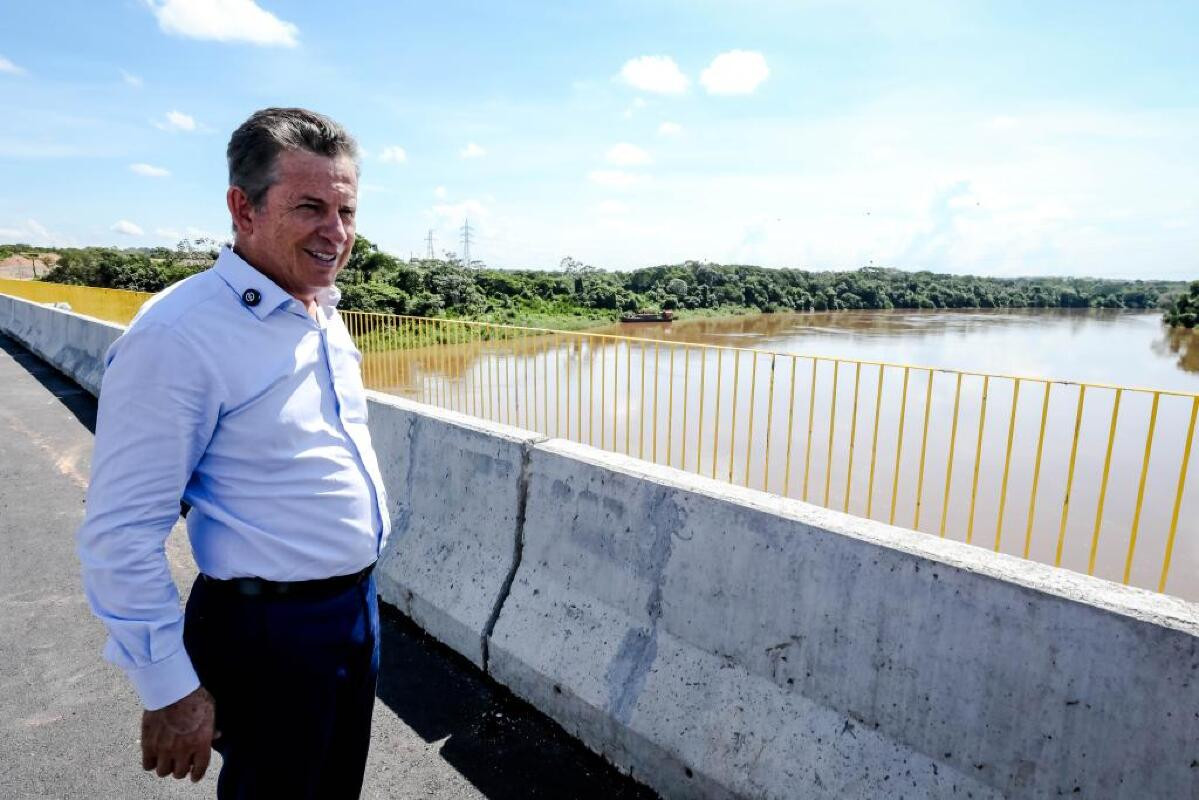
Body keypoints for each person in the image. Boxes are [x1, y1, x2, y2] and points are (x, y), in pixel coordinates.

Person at [76, 107, 391, 799]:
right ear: (243, 209)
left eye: (346, 210)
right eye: (310, 207)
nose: (336, 232)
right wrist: (169, 688)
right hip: (268, 630)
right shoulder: (180, 335)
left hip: (353, 611)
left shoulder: (321, 312)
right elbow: (120, 534)